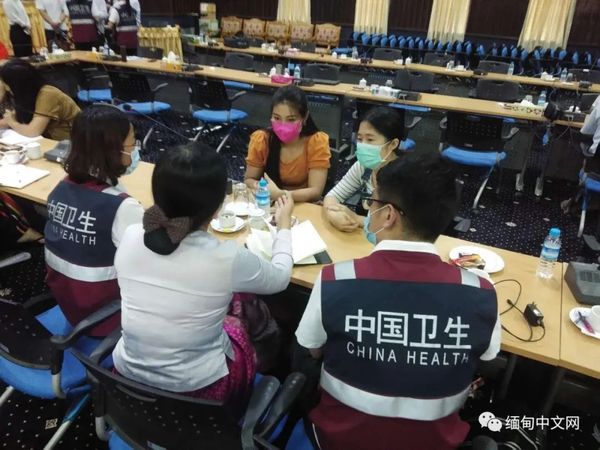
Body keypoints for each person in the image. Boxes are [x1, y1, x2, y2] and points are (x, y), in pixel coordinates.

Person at [295, 153, 501, 450]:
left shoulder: (334, 280)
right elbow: (487, 358)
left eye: (371, 203)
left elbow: (313, 349)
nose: (369, 210)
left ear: (388, 215)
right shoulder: (481, 291)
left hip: (337, 441)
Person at [112, 143, 294, 413]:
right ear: (219, 205)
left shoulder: (130, 235)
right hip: (199, 391)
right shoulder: (226, 258)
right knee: (241, 316)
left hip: (128, 376)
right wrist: (285, 226)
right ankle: (273, 371)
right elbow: (280, 277)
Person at [44, 105, 144, 336]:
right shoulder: (122, 208)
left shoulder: (60, 189)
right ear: (113, 150)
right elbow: (150, 265)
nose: (135, 150)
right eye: (132, 144)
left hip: (69, 304)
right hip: (105, 316)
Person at [324, 106, 404, 232]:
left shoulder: (405, 177)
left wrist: (356, 218)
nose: (363, 145)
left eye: (370, 139)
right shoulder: (363, 167)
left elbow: (400, 227)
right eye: (360, 139)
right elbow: (333, 196)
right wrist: (332, 213)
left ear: (393, 144)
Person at [245, 85, 331, 203]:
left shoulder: (316, 142)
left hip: (303, 204)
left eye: (291, 119)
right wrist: (260, 187)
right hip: (268, 203)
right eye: (277, 118)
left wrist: (280, 194)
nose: (283, 125)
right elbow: (249, 179)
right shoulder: (262, 140)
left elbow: (315, 192)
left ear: (305, 117)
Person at [0, 59, 80, 140]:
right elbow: (8, 120)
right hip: (50, 140)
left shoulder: (47, 94)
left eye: (8, 86)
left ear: (19, 85)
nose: (7, 90)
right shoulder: (27, 95)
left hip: (70, 141)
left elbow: (33, 131)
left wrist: (12, 122)